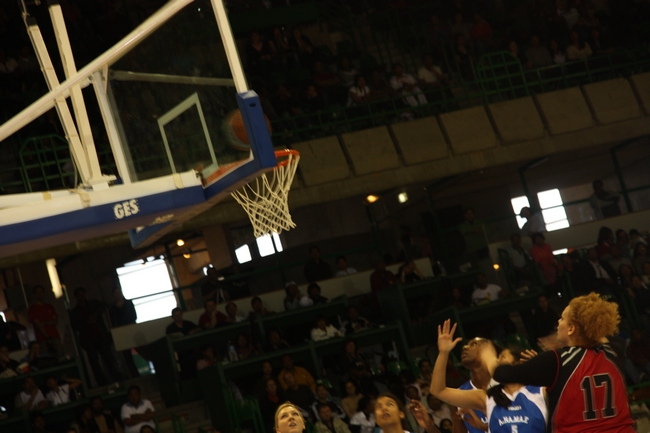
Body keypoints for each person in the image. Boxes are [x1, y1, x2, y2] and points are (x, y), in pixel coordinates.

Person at [493, 293, 635, 433]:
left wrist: (489, 355)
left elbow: (502, 374)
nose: (558, 321)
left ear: (571, 329)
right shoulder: (613, 352)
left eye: (562, 318)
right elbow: (599, 340)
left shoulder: (558, 359)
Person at [431, 320, 547, 433]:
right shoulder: (487, 397)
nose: (465, 347)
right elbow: (438, 390)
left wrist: (537, 370)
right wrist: (443, 353)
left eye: (502, 357)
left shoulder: (539, 391)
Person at [70, 287, 122, 385]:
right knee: (94, 363)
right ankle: (102, 382)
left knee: (108, 359)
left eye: (83, 293)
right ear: (76, 297)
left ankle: (116, 378)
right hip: (88, 340)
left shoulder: (93, 304)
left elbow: (104, 304)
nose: (82, 296)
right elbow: (75, 326)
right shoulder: (75, 312)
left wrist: (95, 315)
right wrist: (86, 323)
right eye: (79, 294)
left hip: (100, 337)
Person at [451, 336, 494, 433]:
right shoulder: (458, 395)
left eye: (474, 344)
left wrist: (483, 426)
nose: (465, 347)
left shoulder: (507, 385)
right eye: (466, 345)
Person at [109, 287, 139, 378]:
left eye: (119, 292)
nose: (118, 294)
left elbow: (133, 316)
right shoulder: (112, 308)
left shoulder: (128, 303)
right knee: (127, 356)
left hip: (132, 330)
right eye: (116, 293)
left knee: (141, 350)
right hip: (121, 332)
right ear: (113, 295)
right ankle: (135, 374)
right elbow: (113, 322)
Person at [28, 285, 61, 357]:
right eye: (37, 293)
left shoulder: (49, 307)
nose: (40, 294)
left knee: (60, 355)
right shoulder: (32, 309)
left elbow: (55, 321)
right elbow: (39, 325)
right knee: (47, 357)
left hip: (54, 336)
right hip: (42, 339)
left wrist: (44, 323)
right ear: (34, 294)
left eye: (41, 292)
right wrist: (48, 337)